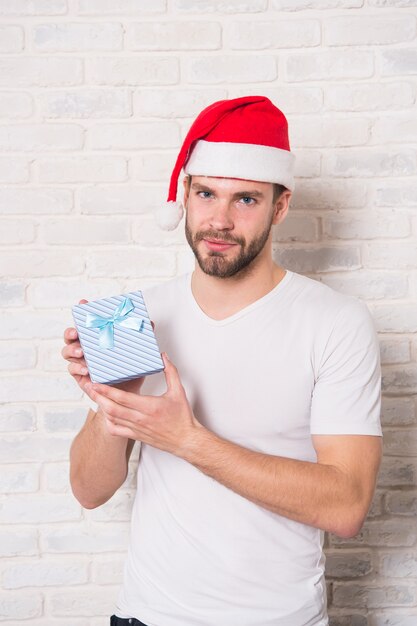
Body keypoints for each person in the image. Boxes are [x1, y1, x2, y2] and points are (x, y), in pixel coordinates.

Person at [62, 96, 382, 626]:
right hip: (146, 616)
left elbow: (346, 506)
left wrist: (186, 438)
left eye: (247, 200)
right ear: (184, 195)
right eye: (206, 192)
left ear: (280, 207)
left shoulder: (336, 323)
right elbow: (88, 490)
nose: (220, 219)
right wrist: (112, 404)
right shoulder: (141, 315)